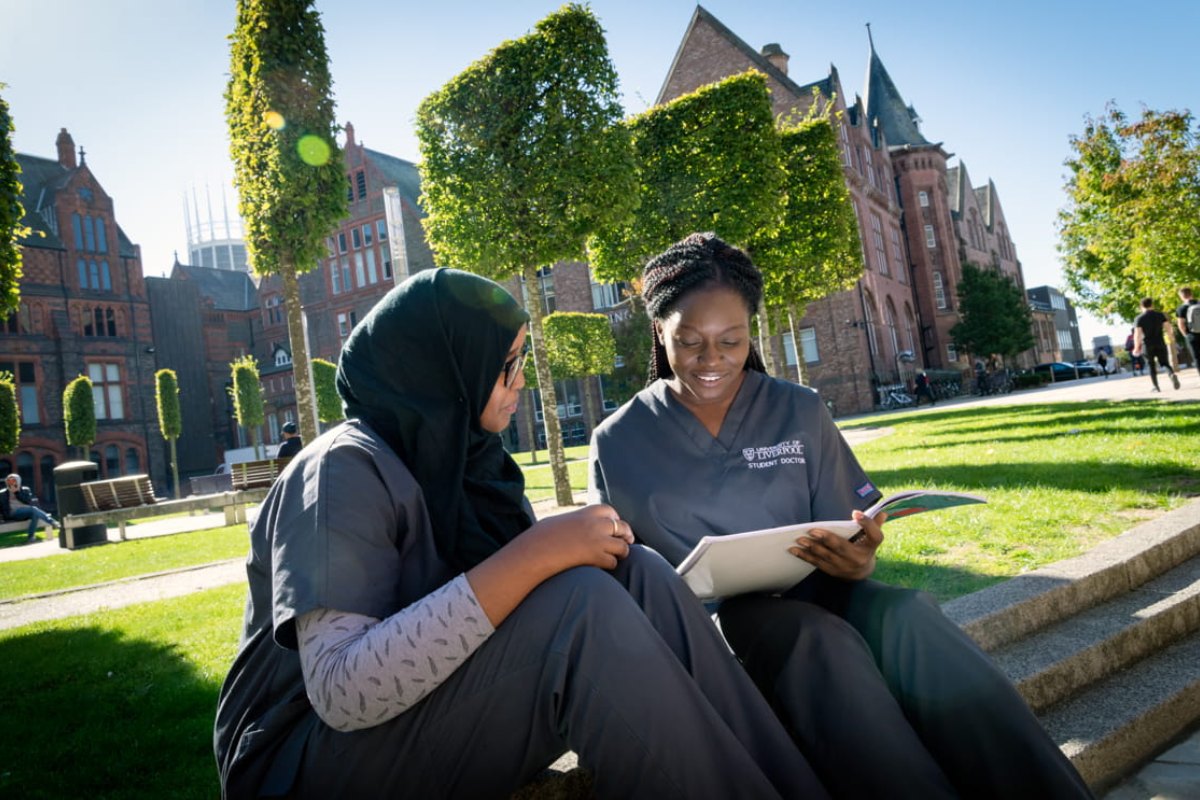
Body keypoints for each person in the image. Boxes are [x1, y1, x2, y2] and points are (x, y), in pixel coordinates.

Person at [214, 268, 826, 800]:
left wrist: (569, 553)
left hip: (412, 729)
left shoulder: (466, 467)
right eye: (507, 368)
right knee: (579, 608)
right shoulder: (342, 470)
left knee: (635, 571)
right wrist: (536, 553)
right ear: (448, 367)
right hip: (301, 768)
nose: (520, 385)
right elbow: (342, 691)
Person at [589, 233, 1093, 800]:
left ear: (752, 332)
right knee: (813, 640)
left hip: (819, 590)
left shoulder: (797, 408)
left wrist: (859, 558)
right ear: (659, 330)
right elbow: (620, 575)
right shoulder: (619, 440)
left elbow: (846, 523)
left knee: (908, 613)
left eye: (731, 341)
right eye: (689, 342)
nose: (712, 360)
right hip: (722, 629)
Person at [1132, 297, 1180, 392]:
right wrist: (1171, 337)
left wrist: (1136, 347)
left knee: (1151, 365)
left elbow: (1137, 334)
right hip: (1160, 342)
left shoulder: (1139, 318)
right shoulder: (1160, 315)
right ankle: (1171, 374)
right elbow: (1168, 327)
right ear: (1152, 305)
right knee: (1165, 363)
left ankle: (1156, 386)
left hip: (1147, 344)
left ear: (1141, 306)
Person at [0, 473, 59, 543]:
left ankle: (31, 537)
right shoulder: (2, 493)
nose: (11, 483)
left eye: (13, 481)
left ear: (18, 481)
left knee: (35, 514)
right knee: (33, 509)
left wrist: (17, 493)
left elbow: (27, 501)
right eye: (9, 481)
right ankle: (53, 522)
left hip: (26, 513)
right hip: (13, 514)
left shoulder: (25, 490)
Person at [1175, 286, 1200, 378]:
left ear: (1181, 296)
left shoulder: (1181, 308)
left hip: (1192, 335)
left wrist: (1186, 335)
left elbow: (1181, 324)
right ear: (1191, 293)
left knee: (1197, 357)